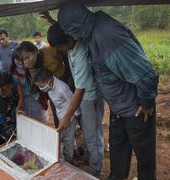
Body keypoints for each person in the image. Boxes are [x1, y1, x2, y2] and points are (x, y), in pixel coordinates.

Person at [57, 2, 158, 180]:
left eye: (69, 30)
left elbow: (145, 74)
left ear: (75, 26)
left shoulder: (108, 36)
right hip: (118, 109)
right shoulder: (90, 31)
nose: (70, 35)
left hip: (136, 109)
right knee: (118, 153)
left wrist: (147, 103)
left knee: (144, 159)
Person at [47, 23, 104, 177]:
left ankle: (96, 167)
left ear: (67, 39)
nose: (59, 50)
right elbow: (65, 31)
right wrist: (52, 21)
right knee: (88, 130)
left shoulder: (80, 56)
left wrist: (66, 117)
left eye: (60, 46)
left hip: (89, 97)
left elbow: (80, 90)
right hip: (84, 97)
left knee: (93, 132)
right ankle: (89, 155)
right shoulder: (72, 43)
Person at [34, 67, 79, 162]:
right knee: (65, 137)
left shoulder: (62, 88)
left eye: (42, 85)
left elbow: (73, 102)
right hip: (60, 117)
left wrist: (75, 116)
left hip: (68, 119)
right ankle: (72, 151)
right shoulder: (49, 87)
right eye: (39, 86)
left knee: (68, 139)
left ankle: (68, 160)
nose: (41, 88)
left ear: (49, 80)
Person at [10, 50, 47, 121]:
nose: (20, 62)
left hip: (36, 98)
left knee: (39, 119)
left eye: (22, 60)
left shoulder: (31, 67)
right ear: (13, 59)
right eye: (17, 60)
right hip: (23, 99)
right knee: (27, 119)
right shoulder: (13, 72)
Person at [0, 72, 24, 144]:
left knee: (14, 123)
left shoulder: (15, 80)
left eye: (6, 87)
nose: (5, 89)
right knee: (4, 124)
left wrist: (18, 108)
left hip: (13, 103)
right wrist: (0, 94)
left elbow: (21, 96)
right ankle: (4, 140)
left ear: (10, 84)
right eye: (3, 89)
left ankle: (15, 139)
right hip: (4, 105)